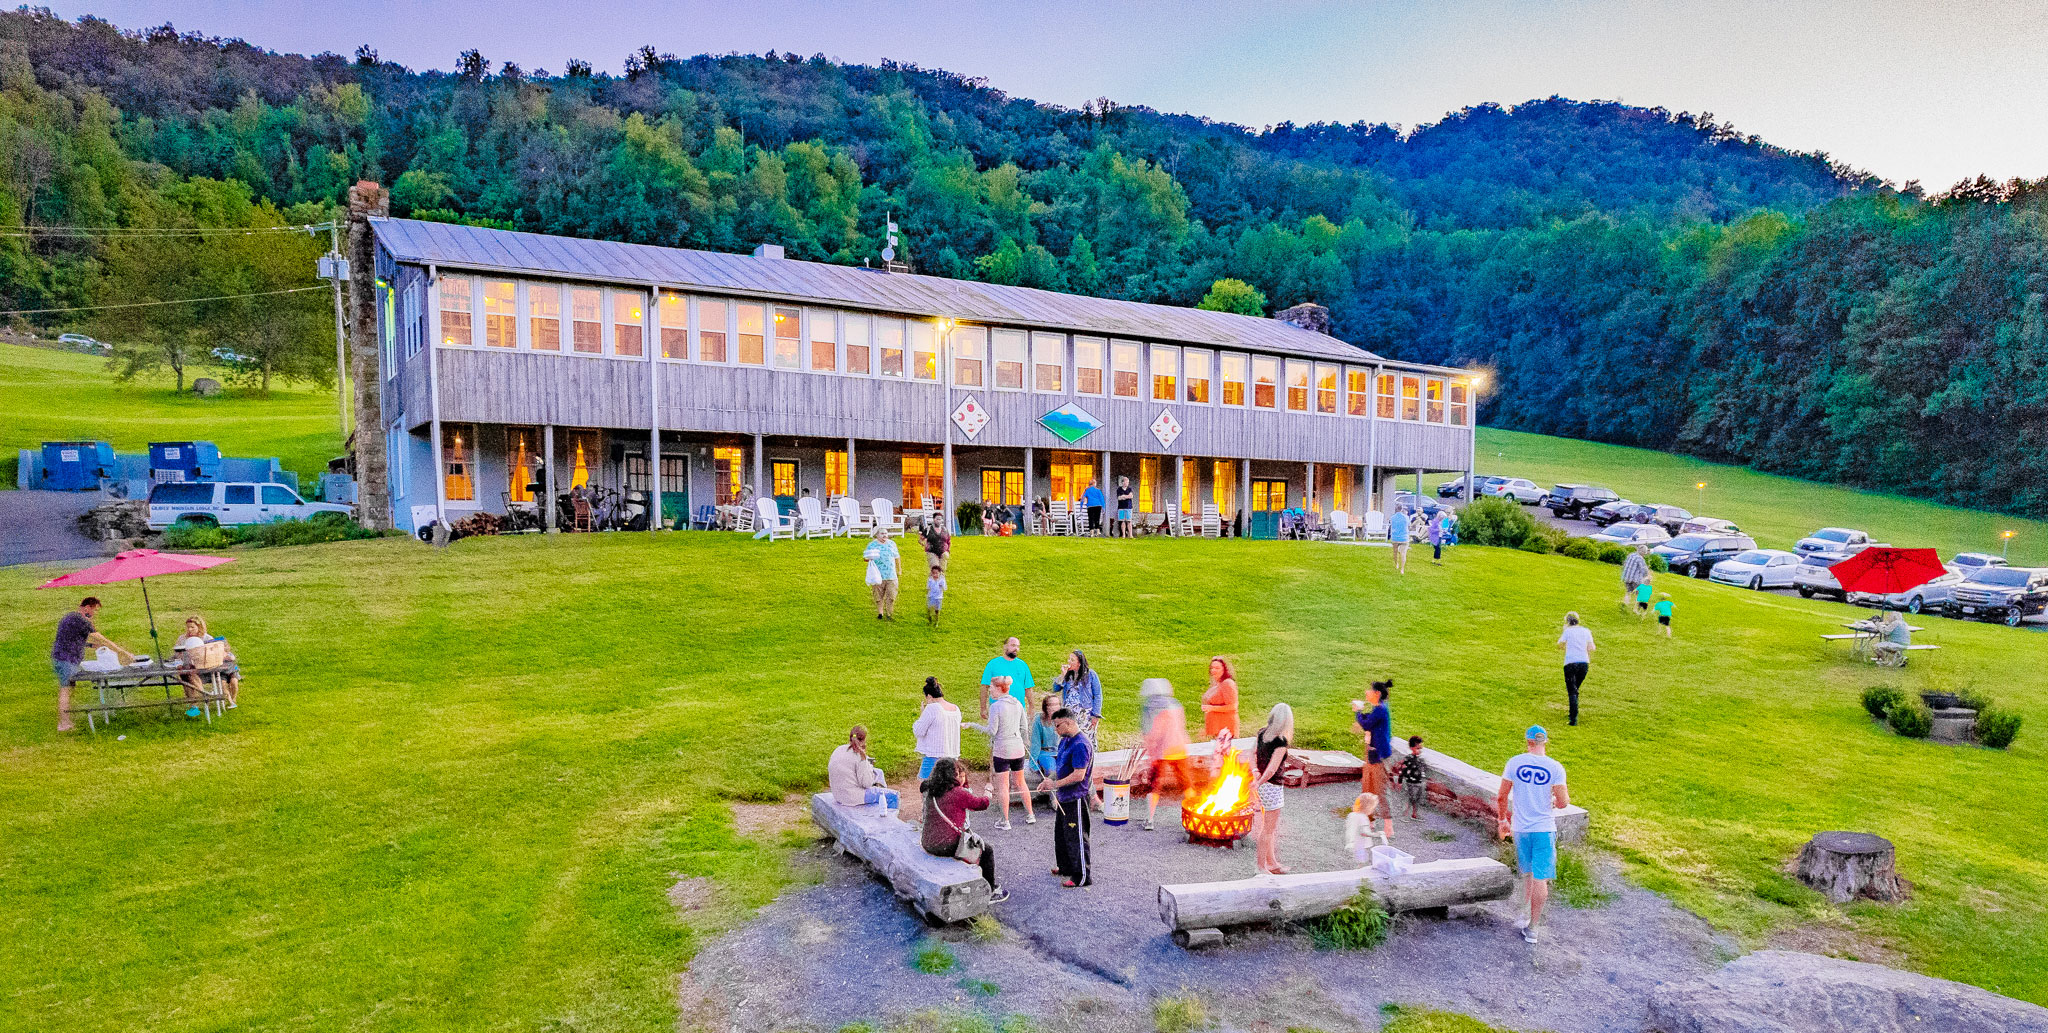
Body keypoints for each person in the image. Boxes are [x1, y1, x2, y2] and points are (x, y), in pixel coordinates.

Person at [1497, 725, 1570, 945]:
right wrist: (1555, 802)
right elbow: (1564, 801)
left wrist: (1503, 821)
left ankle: (1523, 913)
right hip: (1544, 828)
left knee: (1527, 873)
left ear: (1528, 741)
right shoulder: (1555, 768)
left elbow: (1502, 797)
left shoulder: (1514, 762)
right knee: (1541, 877)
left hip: (1521, 828)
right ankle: (1533, 928)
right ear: (1544, 742)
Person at [921, 758, 1006, 903]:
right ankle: (990, 892)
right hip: (945, 846)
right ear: (951, 775)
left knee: (971, 842)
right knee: (986, 851)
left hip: (928, 842)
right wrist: (988, 792)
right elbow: (981, 804)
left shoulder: (931, 790)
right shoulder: (958, 793)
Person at [51, 596, 134, 733]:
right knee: (65, 690)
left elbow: (72, 639)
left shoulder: (71, 617)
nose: (94, 614)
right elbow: (103, 639)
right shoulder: (82, 620)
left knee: (69, 689)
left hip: (63, 658)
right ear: (87, 608)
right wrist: (124, 653)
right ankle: (63, 724)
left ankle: (66, 721)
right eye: (94, 610)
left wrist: (90, 645)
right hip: (66, 659)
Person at [1037, 708, 1094, 887]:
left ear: (1069, 722)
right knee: (1061, 835)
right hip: (1064, 796)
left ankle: (1082, 876)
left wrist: (1055, 785)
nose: (1056, 729)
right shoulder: (1065, 741)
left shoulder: (1081, 745)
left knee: (1076, 836)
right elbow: (1060, 767)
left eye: (1058, 725)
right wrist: (1049, 780)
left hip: (1076, 797)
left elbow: (1078, 775)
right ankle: (1065, 866)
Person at [966, 675, 1033, 828]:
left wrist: (972, 725)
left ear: (999, 688)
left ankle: (1005, 821)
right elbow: (1023, 727)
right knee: (1020, 782)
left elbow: (991, 731)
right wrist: (1025, 741)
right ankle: (1030, 814)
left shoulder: (996, 707)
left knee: (1003, 785)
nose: (989, 691)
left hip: (1002, 749)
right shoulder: (1017, 704)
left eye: (991, 688)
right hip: (1018, 748)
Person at [1138, 679, 1195, 831]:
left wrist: (1151, 752)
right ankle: (1196, 816)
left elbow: (1151, 732)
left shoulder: (1149, 707)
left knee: (1154, 784)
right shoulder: (1176, 704)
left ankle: (1149, 819)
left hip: (1162, 750)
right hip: (1179, 747)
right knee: (1186, 783)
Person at [1250, 703, 1294, 875]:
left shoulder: (1262, 733)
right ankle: (1261, 867)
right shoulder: (1280, 742)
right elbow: (1272, 769)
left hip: (1263, 785)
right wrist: (1259, 781)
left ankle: (1272, 862)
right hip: (1272, 786)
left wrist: (1255, 775)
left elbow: (1252, 754)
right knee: (1267, 829)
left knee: (1269, 828)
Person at [1351, 680, 1396, 843]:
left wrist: (1358, 711)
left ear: (1377, 693)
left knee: (1380, 790)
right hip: (1371, 755)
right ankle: (1369, 821)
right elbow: (1368, 722)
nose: (1366, 693)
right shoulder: (1378, 709)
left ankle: (1388, 825)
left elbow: (1367, 724)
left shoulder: (1380, 710)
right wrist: (1361, 714)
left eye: (1369, 691)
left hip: (1378, 757)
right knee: (1368, 786)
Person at [176, 615, 240, 710]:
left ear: (199, 627)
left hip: (208, 668)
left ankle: (207, 699)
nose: (189, 629)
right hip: (190, 667)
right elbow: (176, 654)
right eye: (188, 627)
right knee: (186, 677)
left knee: (228, 680)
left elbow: (215, 653)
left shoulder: (207, 638)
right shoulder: (182, 639)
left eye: (192, 627)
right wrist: (179, 661)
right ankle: (195, 704)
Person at [912, 676, 961, 780]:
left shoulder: (932, 708)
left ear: (929, 696)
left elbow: (918, 731)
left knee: (925, 786)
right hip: (952, 756)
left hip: (934, 756)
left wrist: (922, 714)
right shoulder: (955, 708)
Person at [1054, 649, 1102, 751]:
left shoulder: (1091, 674)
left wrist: (1096, 714)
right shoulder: (1068, 675)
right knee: (1068, 737)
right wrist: (1062, 675)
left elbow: (1098, 695)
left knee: (1086, 738)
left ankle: (1089, 758)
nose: (1069, 662)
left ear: (1079, 663)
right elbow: (1055, 688)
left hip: (1084, 713)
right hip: (1069, 713)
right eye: (1069, 659)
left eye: (1072, 660)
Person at [828, 725, 889, 806]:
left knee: (878, 772)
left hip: (838, 795)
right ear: (864, 740)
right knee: (892, 796)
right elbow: (867, 784)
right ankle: (885, 814)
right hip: (852, 798)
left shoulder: (839, 749)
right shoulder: (860, 756)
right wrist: (865, 760)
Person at [980, 636, 1034, 719]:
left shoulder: (1023, 665)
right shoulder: (993, 664)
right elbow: (984, 686)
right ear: (1005, 646)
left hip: (1018, 708)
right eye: (1013, 645)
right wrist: (983, 708)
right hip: (998, 709)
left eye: (1018, 646)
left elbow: (1028, 688)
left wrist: (1031, 707)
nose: (1016, 648)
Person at [1557, 612, 1595, 726]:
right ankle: (1572, 711)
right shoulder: (1586, 631)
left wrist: (1566, 646)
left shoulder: (1568, 631)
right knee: (1575, 688)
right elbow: (1592, 647)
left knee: (1572, 691)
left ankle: (1573, 718)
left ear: (1567, 622)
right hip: (1584, 663)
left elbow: (1559, 644)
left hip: (1570, 663)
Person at [862, 526, 901, 620]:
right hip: (877, 574)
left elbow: (897, 557)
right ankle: (880, 613)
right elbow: (865, 558)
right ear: (877, 535)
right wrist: (870, 557)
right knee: (878, 595)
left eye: (886, 533)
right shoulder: (872, 545)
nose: (885, 535)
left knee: (891, 595)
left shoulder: (892, 544)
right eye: (882, 533)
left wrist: (899, 569)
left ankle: (889, 614)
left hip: (891, 574)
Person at [1027, 691, 1063, 786]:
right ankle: (1053, 798)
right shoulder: (1039, 720)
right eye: (1051, 704)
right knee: (1051, 771)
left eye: (1057, 704)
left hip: (1061, 752)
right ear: (1046, 707)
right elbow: (1035, 743)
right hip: (1046, 753)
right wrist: (1033, 763)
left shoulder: (1064, 718)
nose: (1054, 707)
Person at [1201, 656, 1240, 739]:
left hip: (1226, 729)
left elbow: (1233, 706)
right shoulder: (1216, 683)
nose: (1213, 670)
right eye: (1212, 668)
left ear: (1224, 669)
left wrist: (1212, 708)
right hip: (1216, 729)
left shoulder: (1227, 684)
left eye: (1217, 668)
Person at [1395, 735, 1430, 819]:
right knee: (1409, 799)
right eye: (1417, 748)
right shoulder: (1408, 758)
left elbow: (1424, 769)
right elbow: (1402, 770)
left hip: (1419, 782)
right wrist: (1399, 782)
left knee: (1418, 799)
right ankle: (1405, 815)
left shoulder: (1421, 759)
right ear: (1411, 748)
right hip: (1410, 782)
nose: (1419, 751)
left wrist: (1425, 777)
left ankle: (1415, 814)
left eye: (1420, 748)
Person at [1344, 793, 1385, 865]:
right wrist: (1377, 834)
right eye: (1373, 808)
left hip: (1352, 842)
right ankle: (1359, 873)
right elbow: (1364, 832)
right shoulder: (1363, 818)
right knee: (1362, 862)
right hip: (1361, 845)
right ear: (1368, 808)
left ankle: (1357, 869)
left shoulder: (1352, 815)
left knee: (1356, 860)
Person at [1622, 545, 1651, 610]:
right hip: (1635, 580)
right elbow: (1643, 570)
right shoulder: (1640, 558)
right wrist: (1647, 575)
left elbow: (1624, 564)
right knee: (1639, 594)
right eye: (1645, 553)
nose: (1644, 555)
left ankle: (1625, 603)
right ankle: (1636, 610)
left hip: (1627, 577)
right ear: (1643, 552)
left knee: (1628, 591)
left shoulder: (1631, 555)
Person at [1389, 506, 1411, 574]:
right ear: (1402, 509)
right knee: (1403, 553)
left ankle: (1396, 564)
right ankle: (1402, 569)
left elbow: (1391, 525)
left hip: (1395, 537)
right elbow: (1409, 525)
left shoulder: (1392, 517)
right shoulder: (1406, 517)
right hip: (1404, 537)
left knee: (1395, 552)